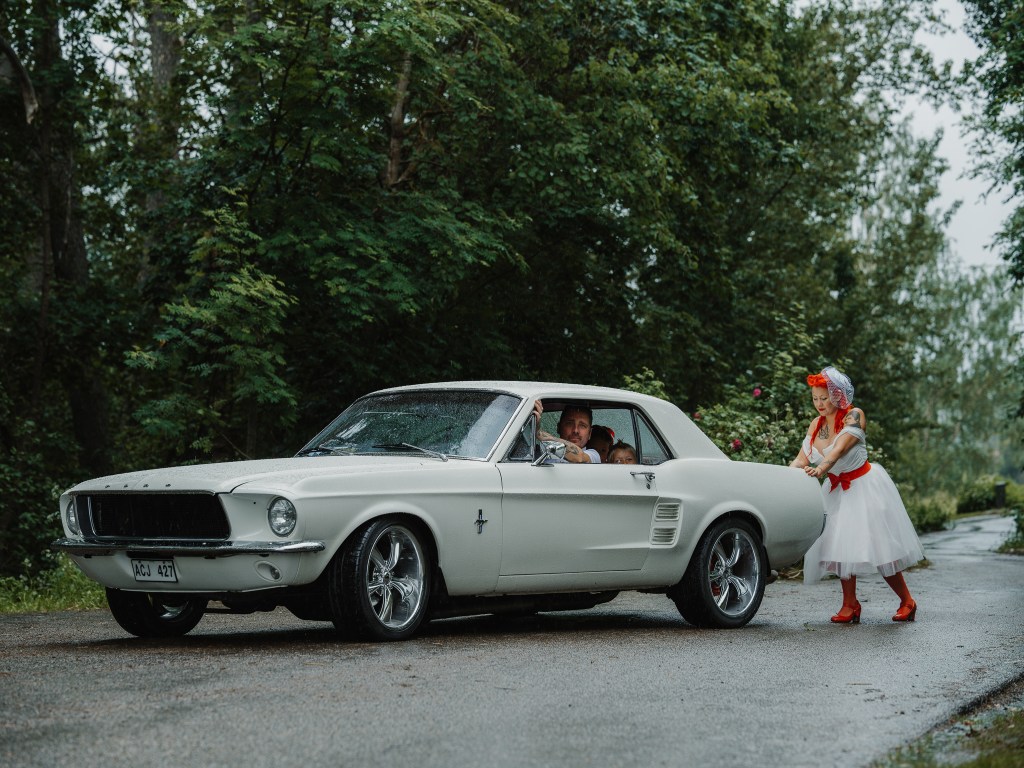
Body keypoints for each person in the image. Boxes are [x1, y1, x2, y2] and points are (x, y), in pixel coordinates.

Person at [791, 366, 923, 623]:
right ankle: (850, 604)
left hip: (863, 486)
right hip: (836, 489)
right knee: (840, 544)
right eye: (815, 398)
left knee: (880, 546)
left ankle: (907, 600)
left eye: (824, 398)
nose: (819, 404)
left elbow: (837, 450)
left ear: (837, 395)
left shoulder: (854, 415)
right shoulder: (816, 424)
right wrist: (784, 476)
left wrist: (820, 469)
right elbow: (801, 457)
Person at [532, 400, 600, 463]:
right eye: (569, 424)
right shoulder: (538, 452)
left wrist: (538, 432)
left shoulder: (593, 455)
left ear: (590, 433)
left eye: (582, 426)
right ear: (559, 428)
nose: (575, 430)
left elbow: (579, 457)